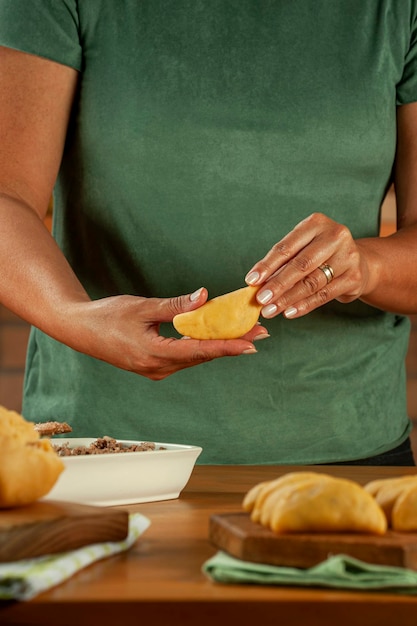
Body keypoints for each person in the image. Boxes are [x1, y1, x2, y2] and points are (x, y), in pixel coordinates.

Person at [0, 1, 416, 466]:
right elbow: (5, 196)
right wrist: (76, 317)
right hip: (101, 448)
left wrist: (366, 266)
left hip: (348, 450)